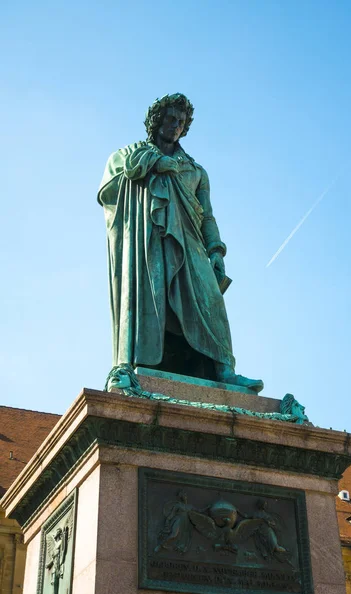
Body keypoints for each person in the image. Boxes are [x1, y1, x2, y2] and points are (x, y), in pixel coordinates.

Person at [98, 93, 263, 392]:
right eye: (171, 119)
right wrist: (151, 164)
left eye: (181, 122)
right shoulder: (130, 154)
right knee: (152, 302)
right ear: (157, 121)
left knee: (211, 300)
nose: (175, 125)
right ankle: (137, 364)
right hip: (149, 242)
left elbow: (207, 216)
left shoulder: (196, 171)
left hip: (190, 243)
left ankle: (225, 370)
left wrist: (216, 250)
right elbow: (108, 188)